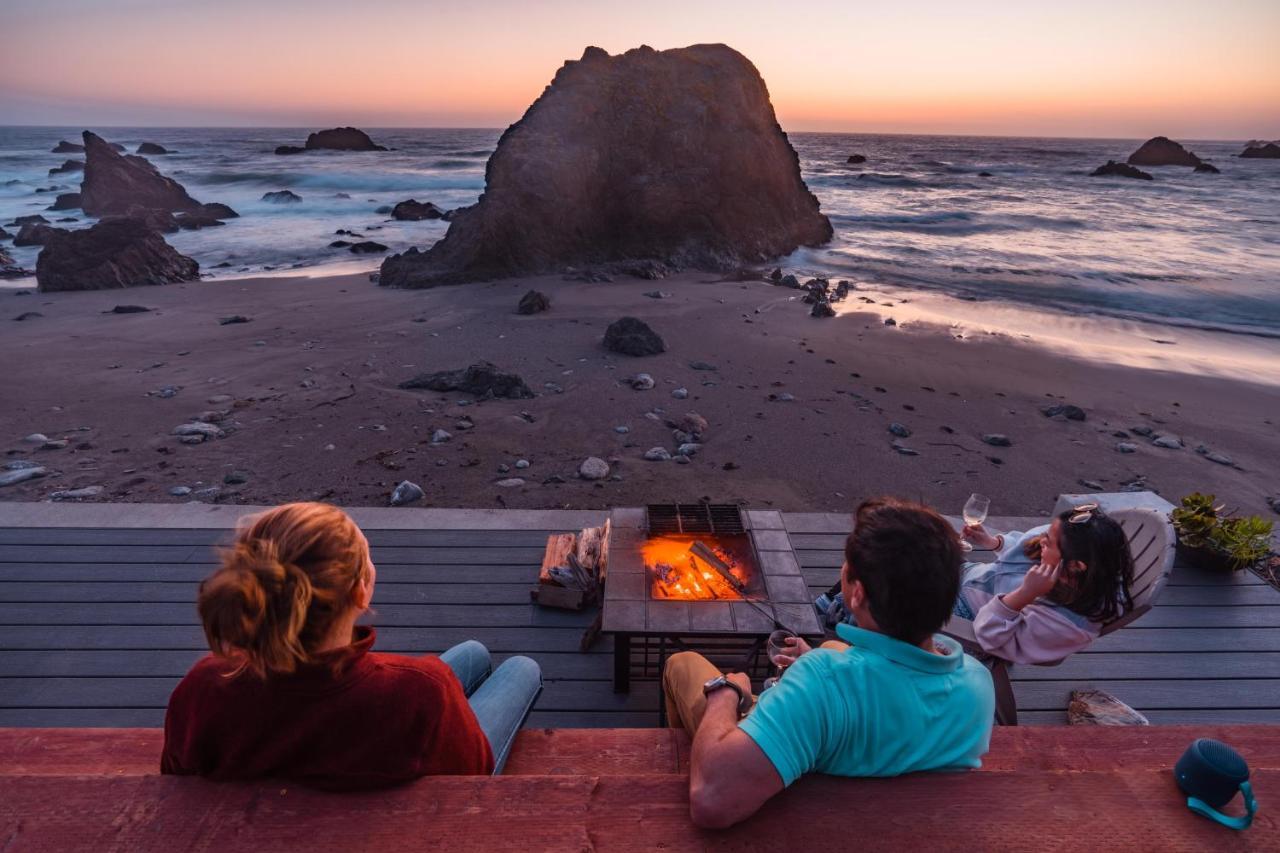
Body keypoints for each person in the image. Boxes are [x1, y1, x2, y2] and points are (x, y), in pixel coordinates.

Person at [663, 498, 995, 829]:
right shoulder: (978, 682)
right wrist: (820, 661)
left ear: (858, 595)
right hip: (906, 817)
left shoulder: (821, 682)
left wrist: (727, 693)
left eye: (846, 567)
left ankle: (677, 764)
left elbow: (712, 801)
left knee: (683, 664)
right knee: (835, 646)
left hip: (821, 825)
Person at [161, 502, 542, 789]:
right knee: (522, 669)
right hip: (402, 728)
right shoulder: (421, 691)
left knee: (472, 653)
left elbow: (176, 775)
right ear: (361, 593)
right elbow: (469, 779)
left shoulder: (206, 685)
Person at [955, 502, 1135, 664]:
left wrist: (1025, 593)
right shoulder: (1085, 565)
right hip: (970, 578)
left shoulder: (1066, 624)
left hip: (967, 614)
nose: (1042, 541)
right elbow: (1028, 548)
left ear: (1075, 566)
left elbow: (990, 635)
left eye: (1048, 543)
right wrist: (994, 543)